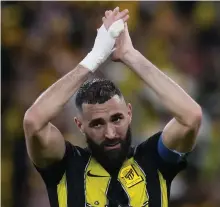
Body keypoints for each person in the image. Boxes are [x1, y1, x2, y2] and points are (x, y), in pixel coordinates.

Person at [23, 7, 202, 207]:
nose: (110, 133)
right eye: (97, 124)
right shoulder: (66, 167)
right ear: (80, 125)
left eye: (116, 119)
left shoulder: (152, 160)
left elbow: (191, 116)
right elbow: (33, 121)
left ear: (129, 113)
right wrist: (94, 58)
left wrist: (130, 56)